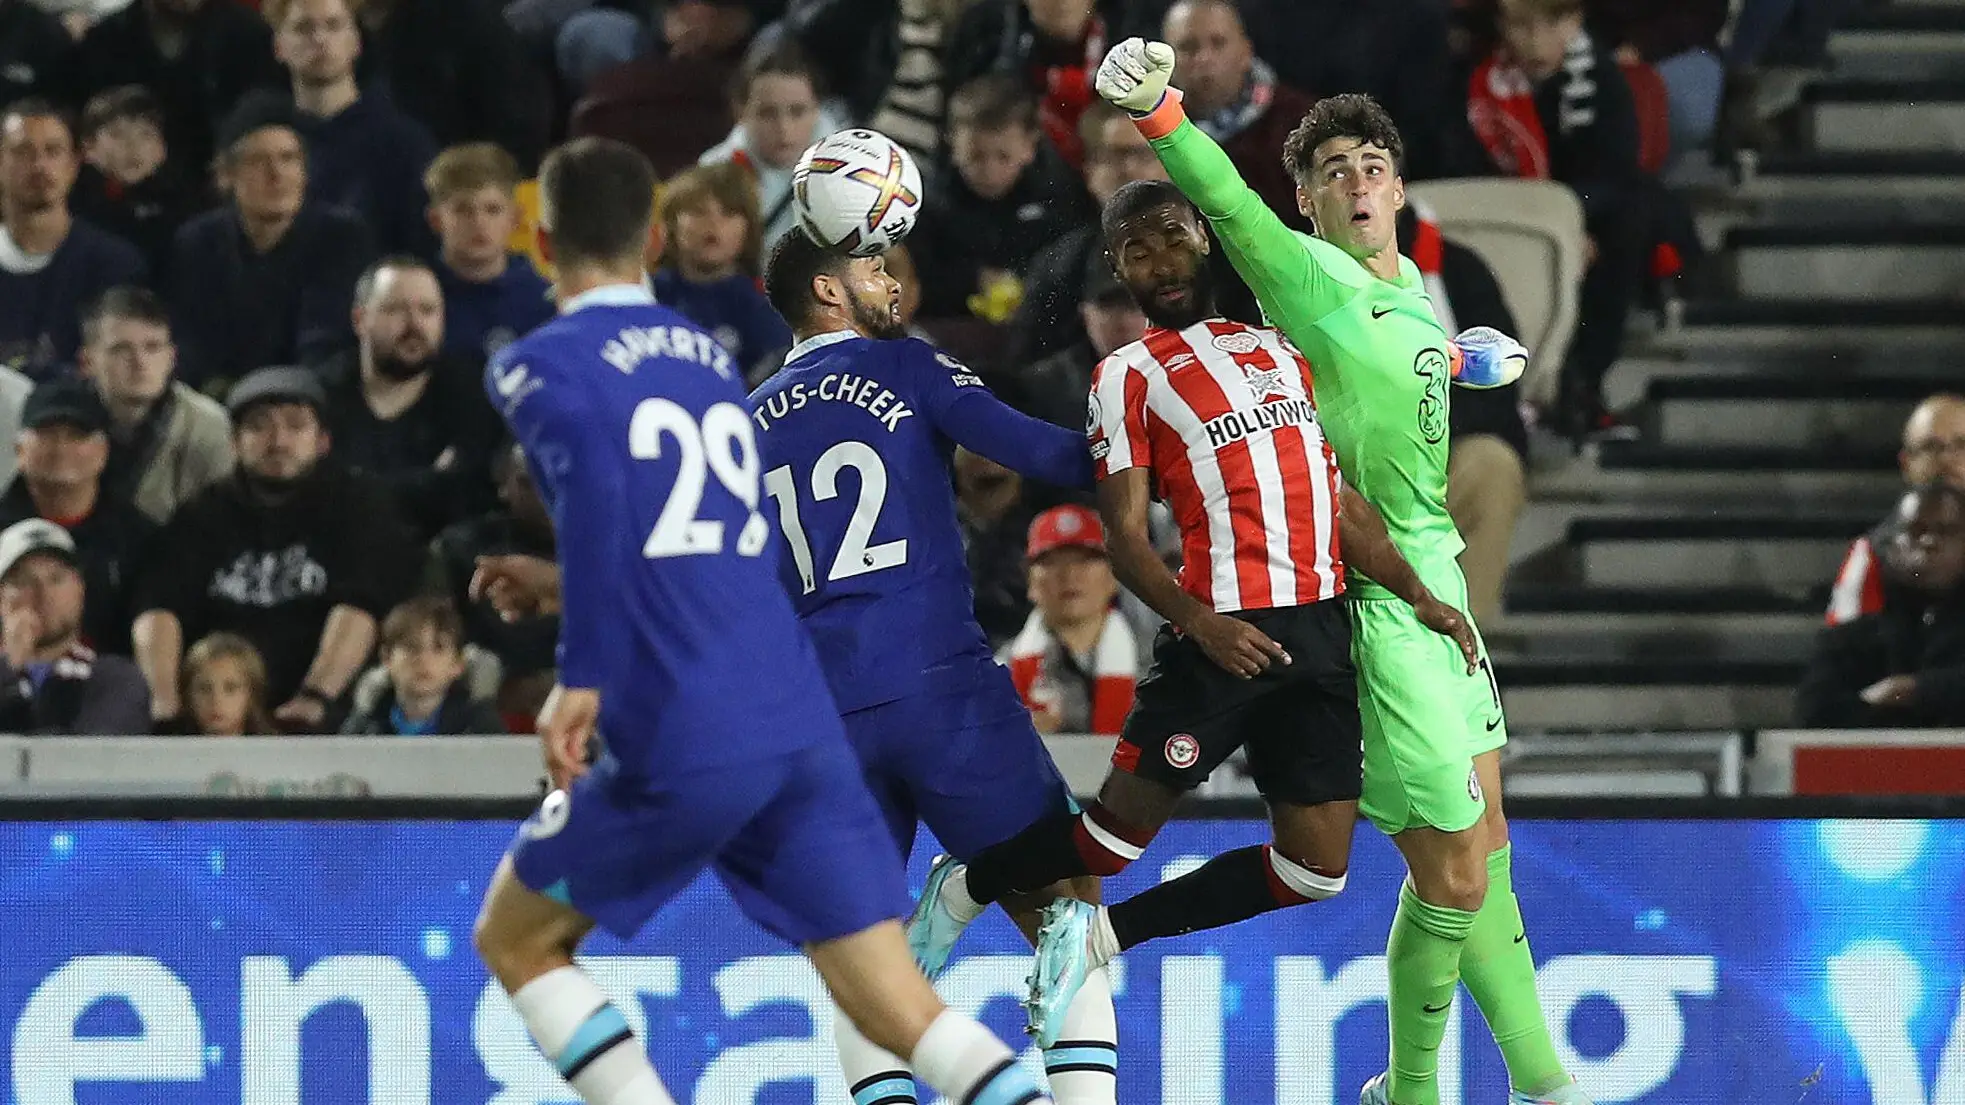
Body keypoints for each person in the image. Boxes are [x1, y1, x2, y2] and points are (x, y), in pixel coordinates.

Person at [469, 136, 1056, 1105]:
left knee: (515, 938)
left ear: (539, 239)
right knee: (897, 1001)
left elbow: (607, 507)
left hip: (684, 723)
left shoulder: (539, 364)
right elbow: (713, 541)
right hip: (797, 714)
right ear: (657, 237)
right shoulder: (706, 359)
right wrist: (564, 581)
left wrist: (581, 671)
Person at [1081, 42, 1587, 1105]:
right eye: (1332, 171)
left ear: (1400, 186)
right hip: (1372, 599)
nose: (1356, 181)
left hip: (1431, 580)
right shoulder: (1303, 274)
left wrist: (1452, 360)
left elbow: (1368, 372)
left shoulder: (1403, 289)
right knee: (1448, 868)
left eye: (1371, 164)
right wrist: (1163, 112)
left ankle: (1539, 1081)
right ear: (1302, 203)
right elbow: (1226, 198)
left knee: (1486, 845)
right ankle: (1422, 1091)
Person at [908, 180, 1476, 1046]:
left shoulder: (1277, 350)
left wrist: (1419, 591)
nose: (1159, 261)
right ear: (1117, 271)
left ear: (1205, 242)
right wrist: (1200, 621)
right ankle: (966, 885)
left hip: (1319, 633)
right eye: (1136, 251)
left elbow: (1337, 500)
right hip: (1220, 639)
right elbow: (1127, 538)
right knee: (1108, 840)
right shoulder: (1125, 376)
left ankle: (1095, 936)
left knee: (1314, 869)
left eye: (1170, 238)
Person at [752, 228, 1112, 1105]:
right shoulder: (905, 369)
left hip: (817, 718)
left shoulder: (739, 419)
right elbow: (1052, 456)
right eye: (871, 265)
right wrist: (1175, 445)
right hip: (939, 692)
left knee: (862, 951)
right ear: (828, 292)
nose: (889, 278)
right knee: (1068, 908)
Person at [130, 365, 419, 730]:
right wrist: (165, 702)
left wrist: (316, 695)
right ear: (234, 442)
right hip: (216, 713)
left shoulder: (358, 505)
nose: (278, 440)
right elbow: (157, 608)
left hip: (327, 710)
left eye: (296, 426)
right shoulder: (202, 513)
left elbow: (362, 604)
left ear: (322, 441)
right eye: (259, 425)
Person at [168, 95, 374, 391]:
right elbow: (194, 342)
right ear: (227, 176)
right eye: (258, 161)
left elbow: (326, 341)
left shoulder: (342, 236)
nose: (276, 174)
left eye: (288, 159)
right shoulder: (198, 242)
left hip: (312, 398)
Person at [318, 254, 504, 539]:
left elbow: (466, 500)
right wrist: (429, 482)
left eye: (428, 311)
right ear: (359, 319)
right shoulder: (321, 394)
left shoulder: (472, 395)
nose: (414, 325)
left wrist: (357, 488)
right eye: (395, 310)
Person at [265, 0, 438, 257]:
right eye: (303, 28)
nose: (320, 39)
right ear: (279, 47)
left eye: (333, 26)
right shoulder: (264, 145)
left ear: (356, 42)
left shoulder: (404, 144)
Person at [0, 375, 155, 656]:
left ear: (103, 451)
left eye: (76, 435)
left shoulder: (140, 538)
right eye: (46, 434)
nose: (61, 448)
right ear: (19, 450)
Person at [1799, 482, 1965, 728]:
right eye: (1915, 531)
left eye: (1946, 531)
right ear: (1891, 548)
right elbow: (1813, 716)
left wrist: (1909, 691)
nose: (1929, 542)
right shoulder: (1848, 641)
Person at [0, 99, 146, 378]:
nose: (39, 165)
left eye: (53, 151)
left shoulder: (115, 266)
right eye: (22, 152)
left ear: (74, 165)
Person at [75, 285, 234, 525]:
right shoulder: (61, 424)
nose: (140, 362)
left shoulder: (208, 426)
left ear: (171, 357)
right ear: (87, 362)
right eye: (121, 349)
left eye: (152, 348)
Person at [0, 517, 152, 735]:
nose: (44, 594)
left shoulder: (115, 680)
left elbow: (81, 757)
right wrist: (9, 671)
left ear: (80, 590)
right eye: (24, 581)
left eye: (57, 579)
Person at [1826, 394, 1965, 627]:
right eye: (1931, 447)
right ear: (1905, 463)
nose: (1946, 459)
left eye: (1961, 445)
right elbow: (1844, 649)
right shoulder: (1871, 554)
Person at [698, 40, 849, 253]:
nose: (784, 129)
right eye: (767, 113)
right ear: (740, 112)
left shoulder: (852, 173)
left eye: (797, 112)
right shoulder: (713, 172)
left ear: (818, 110)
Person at [999, 503, 1137, 736]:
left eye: (1085, 560)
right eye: (1051, 561)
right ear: (1029, 580)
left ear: (1115, 576)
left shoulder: (1156, 663)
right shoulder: (1001, 673)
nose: (1070, 574)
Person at [651, 163, 792, 386]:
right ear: (670, 224)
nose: (713, 224)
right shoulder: (645, 295)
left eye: (728, 213)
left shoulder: (765, 314)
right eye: (698, 211)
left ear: (749, 228)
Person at [424, 143, 554, 361]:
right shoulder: (415, 297)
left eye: (493, 209)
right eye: (463, 210)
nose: (479, 223)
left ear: (515, 218)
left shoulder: (543, 302)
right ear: (436, 220)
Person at [340, 596, 505, 735]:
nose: (423, 659)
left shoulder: (479, 726)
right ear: (387, 658)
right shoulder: (364, 725)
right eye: (411, 647)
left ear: (458, 664)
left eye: (438, 648)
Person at [175, 630, 276, 736]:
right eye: (204, 688)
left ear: (251, 695)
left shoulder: (274, 748)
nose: (216, 700)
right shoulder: (168, 747)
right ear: (188, 694)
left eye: (230, 688)